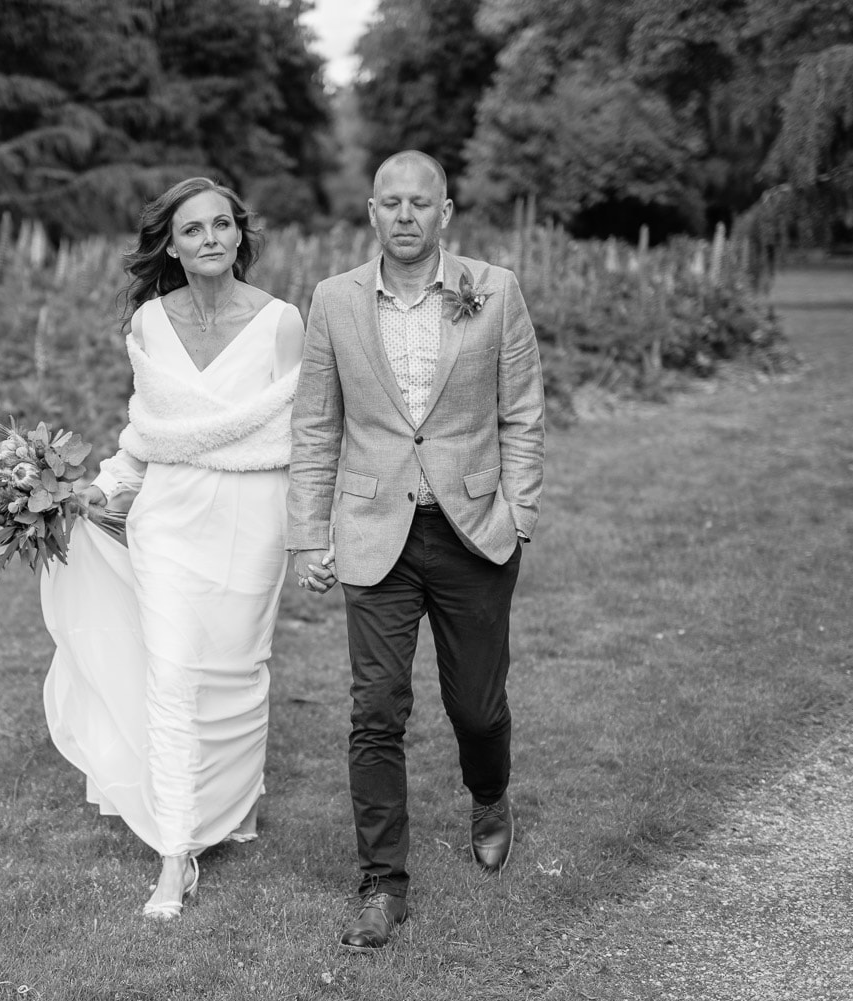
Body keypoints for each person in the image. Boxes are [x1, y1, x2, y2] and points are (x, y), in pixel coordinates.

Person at [285, 151, 545, 951]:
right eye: (390, 202)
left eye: (419, 203)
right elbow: (316, 427)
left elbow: (523, 412)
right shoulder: (333, 301)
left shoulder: (493, 290)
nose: (405, 215)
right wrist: (308, 534)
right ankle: (381, 885)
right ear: (371, 212)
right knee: (375, 711)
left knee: (476, 704)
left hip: (472, 532)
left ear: (445, 212)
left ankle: (489, 793)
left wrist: (520, 513)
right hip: (374, 535)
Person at [40, 177, 305, 919]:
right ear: (172, 243)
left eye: (222, 225)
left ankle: (238, 804)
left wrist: (316, 523)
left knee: (239, 672)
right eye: (193, 229)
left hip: (255, 517)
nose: (210, 238)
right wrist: (103, 489)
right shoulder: (150, 325)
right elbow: (146, 434)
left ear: (239, 237)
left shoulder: (284, 323)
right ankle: (174, 853)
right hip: (170, 517)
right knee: (173, 674)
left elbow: (307, 433)